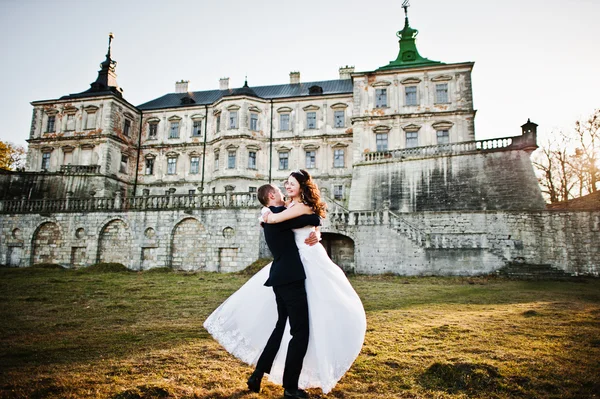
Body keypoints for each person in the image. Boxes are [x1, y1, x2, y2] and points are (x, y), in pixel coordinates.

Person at [204, 170, 366, 397]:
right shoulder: (286, 207)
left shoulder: (297, 207)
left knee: (289, 323)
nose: (287, 187)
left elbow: (303, 220)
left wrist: (313, 229)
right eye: (285, 184)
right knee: (295, 328)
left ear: (302, 185)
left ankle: (260, 374)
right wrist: (268, 214)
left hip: (301, 265)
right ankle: (289, 386)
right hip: (294, 269)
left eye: (291, 184)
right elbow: (291, 219)